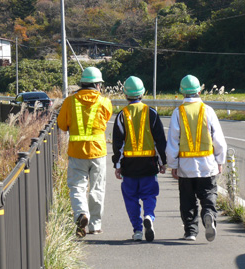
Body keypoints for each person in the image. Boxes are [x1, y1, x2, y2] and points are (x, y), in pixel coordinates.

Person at [166, 75, 227, 242]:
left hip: (186, 166)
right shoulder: (208, 110)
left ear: (182, 92)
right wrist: (220, 160)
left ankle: (191, 231)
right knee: (208, 194)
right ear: (199, 90)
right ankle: (208, 214)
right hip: (207, 163)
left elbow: (173, 141)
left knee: (187, 200)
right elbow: (219, 140)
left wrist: (173, 164)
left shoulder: (178, 112)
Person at [57, 66, 112, 238]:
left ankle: (82, 214)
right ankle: (95, 225)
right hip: (98, 152)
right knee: (97, 188)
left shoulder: (69, 101)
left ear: (82, 83)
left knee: (77, 187)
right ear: (97, 85)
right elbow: (106, 119)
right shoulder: (105, 102)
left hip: (77, 152)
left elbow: (61, 125)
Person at [112, 76, 167, 242]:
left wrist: (117, 164)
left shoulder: (122, 115)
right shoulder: (152, 113)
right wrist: (162, 162)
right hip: (149, 163)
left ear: (125, 94)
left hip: (129, 165)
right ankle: (149, 216)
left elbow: (118, 144)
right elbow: (159, 141)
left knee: (131, 198)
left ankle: (137, 230)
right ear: (143, 92)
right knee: (149, 194)